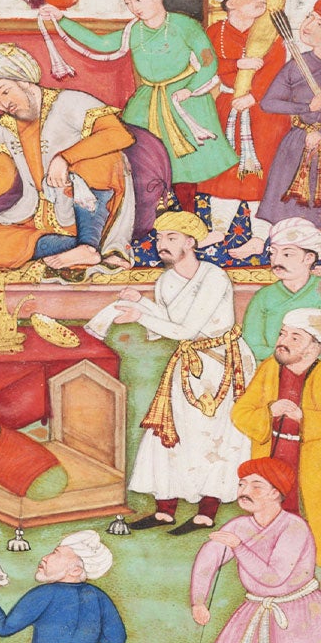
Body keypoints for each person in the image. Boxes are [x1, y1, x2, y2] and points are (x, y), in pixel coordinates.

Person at [93, 210, 252, 532]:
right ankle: (165, 509)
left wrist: (140, 314)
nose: (161, 244)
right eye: (159, 238)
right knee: (172, 430)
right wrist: (142, 303)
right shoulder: (165, 281)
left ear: (190, 242)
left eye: (171, 238)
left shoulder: (213, 277)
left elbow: (187, 329)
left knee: (215, 435)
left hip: (222, 362)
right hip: (188, 361)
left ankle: (206, 512)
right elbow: (168, 323)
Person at [45, 0, 230, 232]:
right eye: (128, 2)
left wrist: (190, 89)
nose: (134, 7)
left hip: (184, 101)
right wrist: (62, 20)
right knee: (140, 158)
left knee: (187, 165)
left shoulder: (185, 25)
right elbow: (101, 44)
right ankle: (150, 218)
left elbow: (209, 62)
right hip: (147, 101)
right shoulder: (134, 30)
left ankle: (189, 219)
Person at [0, 43, 136, 270]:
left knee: (101, 158)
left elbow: (119, 135)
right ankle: (78, 249)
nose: (3, 104)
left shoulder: (70, 102)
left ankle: (89, 243)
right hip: (41, 217)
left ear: (24, 80)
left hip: (91, 212)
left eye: (5, 91)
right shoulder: (7, 127)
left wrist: (65, 159)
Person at [190, 463, 321, 643]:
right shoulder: (239, 526)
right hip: (256, 607)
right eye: (242, 485)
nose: (245, 491)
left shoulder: (294, 527)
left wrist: (239, 547)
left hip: (298, 612)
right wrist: (198, 601)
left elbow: (273, 577)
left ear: (275, 493)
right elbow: (209, 558)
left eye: (256, 486)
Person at [232, 308, 321, 570]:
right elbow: (240, 412)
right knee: (272, 510)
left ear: (314, 346)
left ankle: (319, 561)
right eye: (282, 334)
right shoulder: (269, 369)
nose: (283, 342)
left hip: (312, 461)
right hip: (272, 455)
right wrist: (269, 411)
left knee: (314, 513)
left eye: (295, 337)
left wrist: (302, 417)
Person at [207, 0, 321, 217]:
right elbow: (208, 64)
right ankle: (220, 225)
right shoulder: (215, 31)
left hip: (264, 111)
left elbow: (275, 72)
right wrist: (237, 64)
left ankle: (261, 229)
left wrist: (253, 96)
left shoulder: (271, 33)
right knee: (224, 170)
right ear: (230, 3)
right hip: (226, 106)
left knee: (264, 169)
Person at [260, 0, 321, 226]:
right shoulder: (295, 66)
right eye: (309, 17)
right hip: (298, 145)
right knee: (288, 215)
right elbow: (268, 103)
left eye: (319, 23)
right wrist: (307, 108)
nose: (308, 26)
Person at [237, 220, 321, 368]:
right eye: (272, 253)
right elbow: (252, 344)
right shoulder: (264, 296)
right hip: (272, 368)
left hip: (319, 369)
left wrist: (300, 362)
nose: (276, 260)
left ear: (309, 258)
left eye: (287, 254)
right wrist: (285, 359)